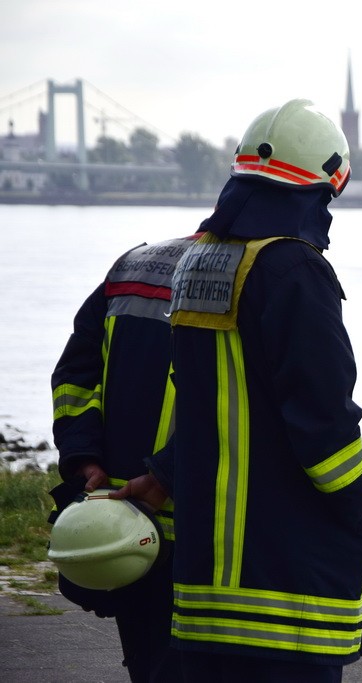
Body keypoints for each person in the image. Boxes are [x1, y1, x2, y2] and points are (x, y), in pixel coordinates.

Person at [119, 99, 362, 682]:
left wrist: (163, 474)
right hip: (285, 588)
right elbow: (323, 417)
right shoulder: (294, 270)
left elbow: (206, 401)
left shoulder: (200, 263)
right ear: (320, 188)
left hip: (208, 584)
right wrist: (352, 499)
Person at [51, 233, 199, 681]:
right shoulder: (260, 277)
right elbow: (252, 403)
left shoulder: (133, 266)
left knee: (149, 663)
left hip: (125, 530)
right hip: (203, 532)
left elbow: (76, 373)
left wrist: (84, 457)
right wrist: (168, 473)